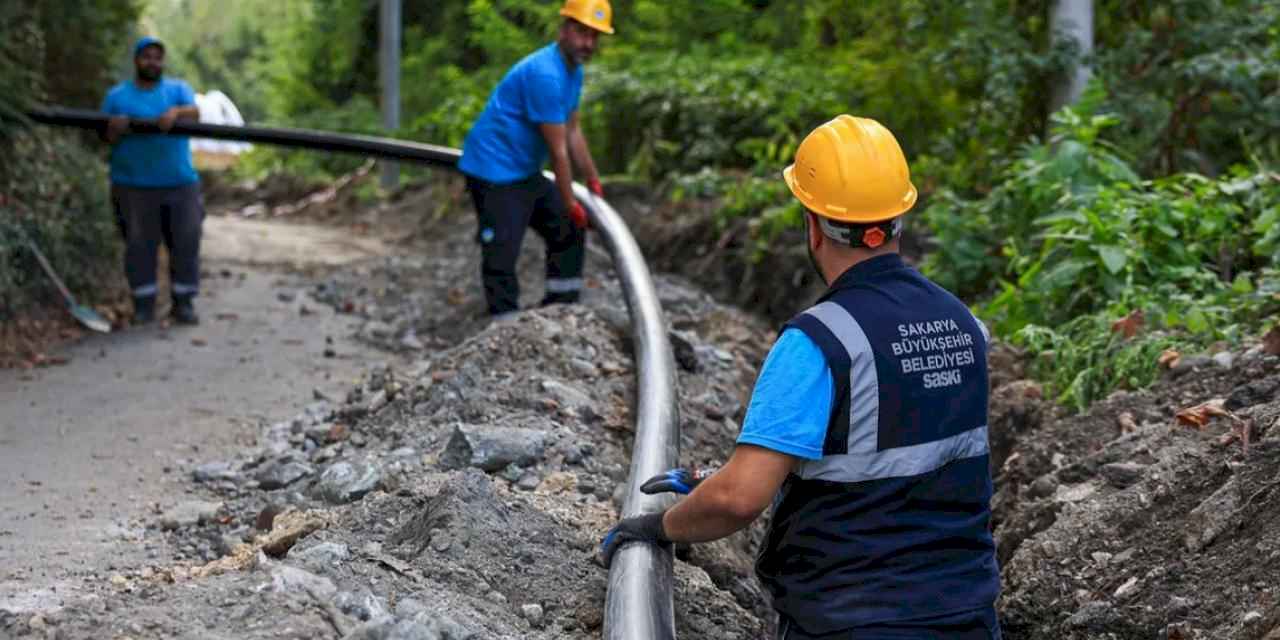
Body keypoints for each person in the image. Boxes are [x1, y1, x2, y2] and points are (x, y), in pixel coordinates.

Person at [601, 116, 1002, 639]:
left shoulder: (818, 342)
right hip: (966, 617)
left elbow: (740, 499)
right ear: (899, 217)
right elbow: (898, 453)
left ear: (813, 223)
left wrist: (657, 527)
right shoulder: (963, 325)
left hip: (853, 621)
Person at [456, 0, 613, 318]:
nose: (589, 43)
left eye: (595, 36)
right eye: (583, 33)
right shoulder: (545, 74)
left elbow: (573, 131)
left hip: (524, 169)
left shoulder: (573, 70)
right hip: (494, 169)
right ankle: (504, 325)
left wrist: (593, 179)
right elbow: (558, 151)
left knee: (567, 227)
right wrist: (571, 202)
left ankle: (562, 308)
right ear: (565, 29)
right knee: (503, 248)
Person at [101, 36, 203, 325]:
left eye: (157, 57)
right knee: (138, 246)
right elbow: (102, 136)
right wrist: (115, 128)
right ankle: (143, 305)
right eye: (147, 56)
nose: (152, 62)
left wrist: (177, 112)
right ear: (136, 60)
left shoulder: (178, 90)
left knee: (186, 241)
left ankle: (183, 303)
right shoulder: (117, 96)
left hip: (179, 182)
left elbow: (196, 113)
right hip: (133, 184)